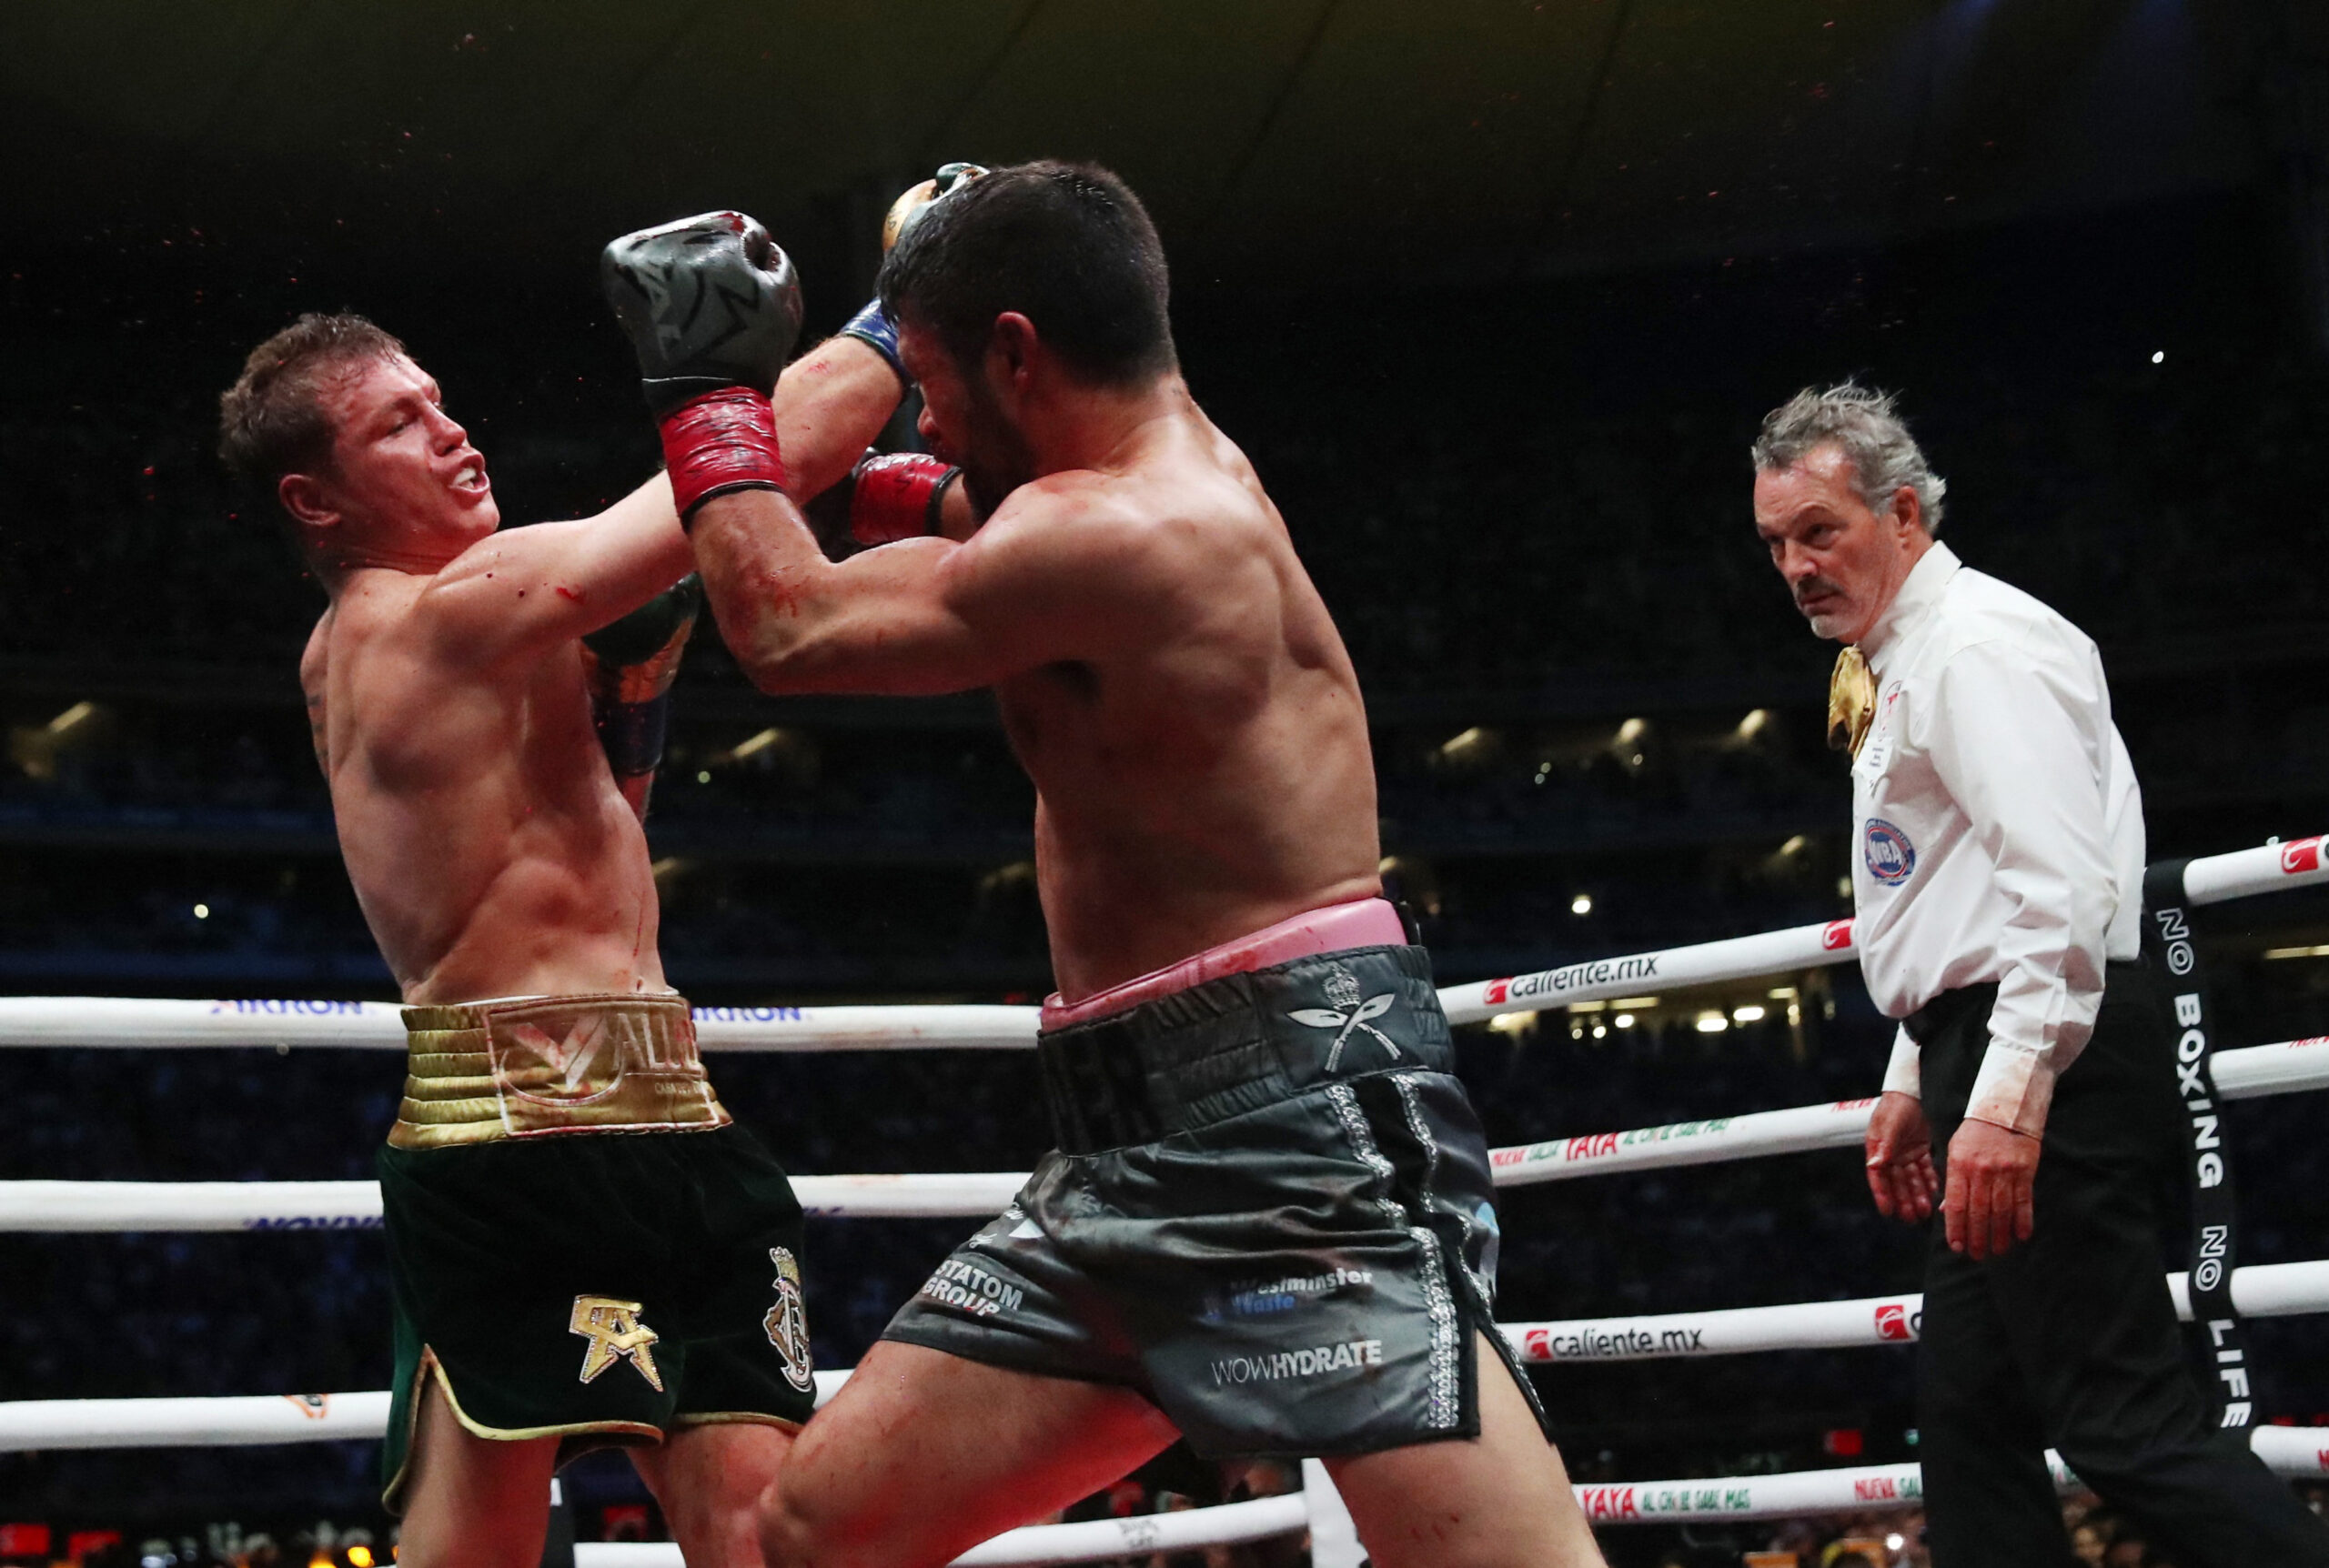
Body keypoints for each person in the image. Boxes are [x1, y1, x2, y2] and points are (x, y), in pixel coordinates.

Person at [599, 166, 1608, 1568]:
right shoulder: (1106, 489)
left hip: (1298, 1136)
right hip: (1118, 1147)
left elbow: (788, 625)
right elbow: (920, 508)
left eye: (932, 382)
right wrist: (811, 426)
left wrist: (705, 390)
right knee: (812, 1539)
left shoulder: (1131, 531)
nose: (927, 419)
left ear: (1016, 353)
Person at [212, 291, 902, 1565]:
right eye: (398, 426)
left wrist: (631, 692)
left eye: (438, 401)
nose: (451, 431)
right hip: (514, 1148)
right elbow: (755, 465)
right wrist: (913, 301)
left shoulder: (498, 623)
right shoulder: (420, 622)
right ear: (317, 501)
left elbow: (592, 828)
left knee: (761, 1535)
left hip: (680, 1120)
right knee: (476, 1551)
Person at [1749, 382, 2329, 1568]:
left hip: (2050, 1053)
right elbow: (1949, 895)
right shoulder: (1911, 657)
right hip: (1991, 1040)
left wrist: (2009, 1096)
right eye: (1776, 544)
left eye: (1820, 532)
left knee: (2123, 1420)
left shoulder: (1976, 650)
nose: (1797, 567)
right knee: (1969, 1422)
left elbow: (2059, 890)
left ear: (1901, 514)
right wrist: (1915, 1075)